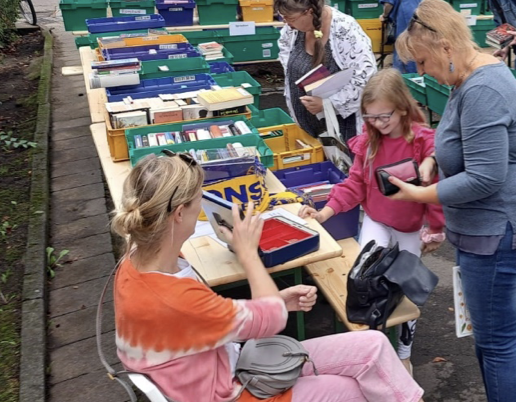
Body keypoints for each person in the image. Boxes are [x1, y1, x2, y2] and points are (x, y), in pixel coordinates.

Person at [112, 154, 423, 402]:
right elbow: (269, 320)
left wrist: (273, 302)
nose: (202, 207)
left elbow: (198, 317)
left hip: (228, 367)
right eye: (198, 200)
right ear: (179, 213)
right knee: (362, 391)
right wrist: (248, 254)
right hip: (235, 391)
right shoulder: (173, 297)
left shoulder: (135, 264)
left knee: (374, 346)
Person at [387, 0, 516, 402]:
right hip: (488, 230)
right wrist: (431, 160)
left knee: (497, 343)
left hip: (498, 230)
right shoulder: (468, 77)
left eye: (422, 62)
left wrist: (420, 194)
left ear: (445, 47)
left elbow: (485, 177)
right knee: (491, 335)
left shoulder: (483, 89)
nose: (422, 72)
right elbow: (463, 142)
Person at [299, 70, 444, 371]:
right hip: (377, 220)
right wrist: (325, 212)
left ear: (403, 107)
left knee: (403, 291)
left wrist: (435, 228)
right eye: (370, 117)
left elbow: (435, 174)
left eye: (384, 117)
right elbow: (354, 186)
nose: (377, 124)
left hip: (410, 228)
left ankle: (404, 350)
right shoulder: (368, 143)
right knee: (366, 280)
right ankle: (373, 341)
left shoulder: (420, 140)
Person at [276, 0, 378, 143]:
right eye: (283, 17)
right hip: (309, 129)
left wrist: (328, 104)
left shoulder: (345, 30)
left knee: (344, 168)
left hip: (344, 133)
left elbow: (366, 80)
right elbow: (285, 53)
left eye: (290, 18)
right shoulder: (293, 30)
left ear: (308, 12)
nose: (286, 23)